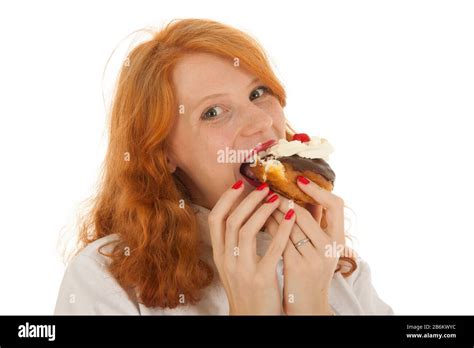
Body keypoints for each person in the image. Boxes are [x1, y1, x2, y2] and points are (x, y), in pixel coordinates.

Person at [54, 18, 393, 315]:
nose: (260, 121)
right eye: (213, 112)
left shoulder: (340, 268)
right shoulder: (104, 277)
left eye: (259, 93)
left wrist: (311, 304)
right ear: (162, 155)